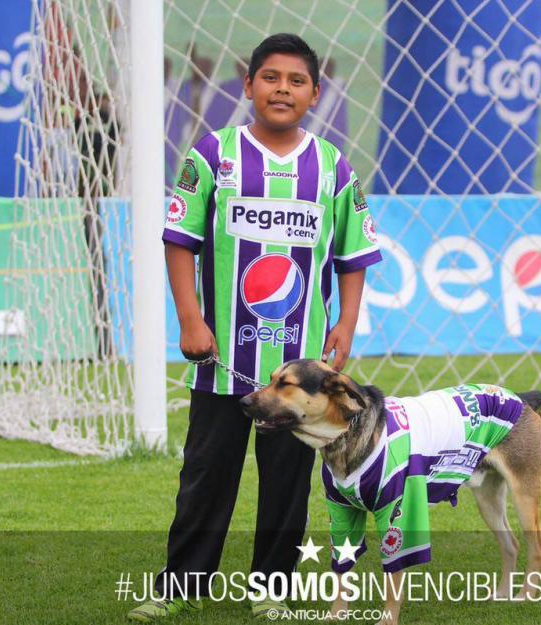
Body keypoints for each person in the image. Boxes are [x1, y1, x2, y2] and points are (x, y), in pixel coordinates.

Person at [127, 34, 382, 622]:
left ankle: (271, 586)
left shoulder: (332, 167)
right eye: (270, 78)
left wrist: (345, 320)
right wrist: (190, 318)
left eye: (296, 81)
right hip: (223, 358)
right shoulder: (212, 155)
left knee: (288, 483)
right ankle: (181, 585)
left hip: (302, 369)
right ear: (248, 86)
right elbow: (180, 239)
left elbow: (353, 254)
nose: (282, 90)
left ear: (315, 94)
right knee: (206, 475)